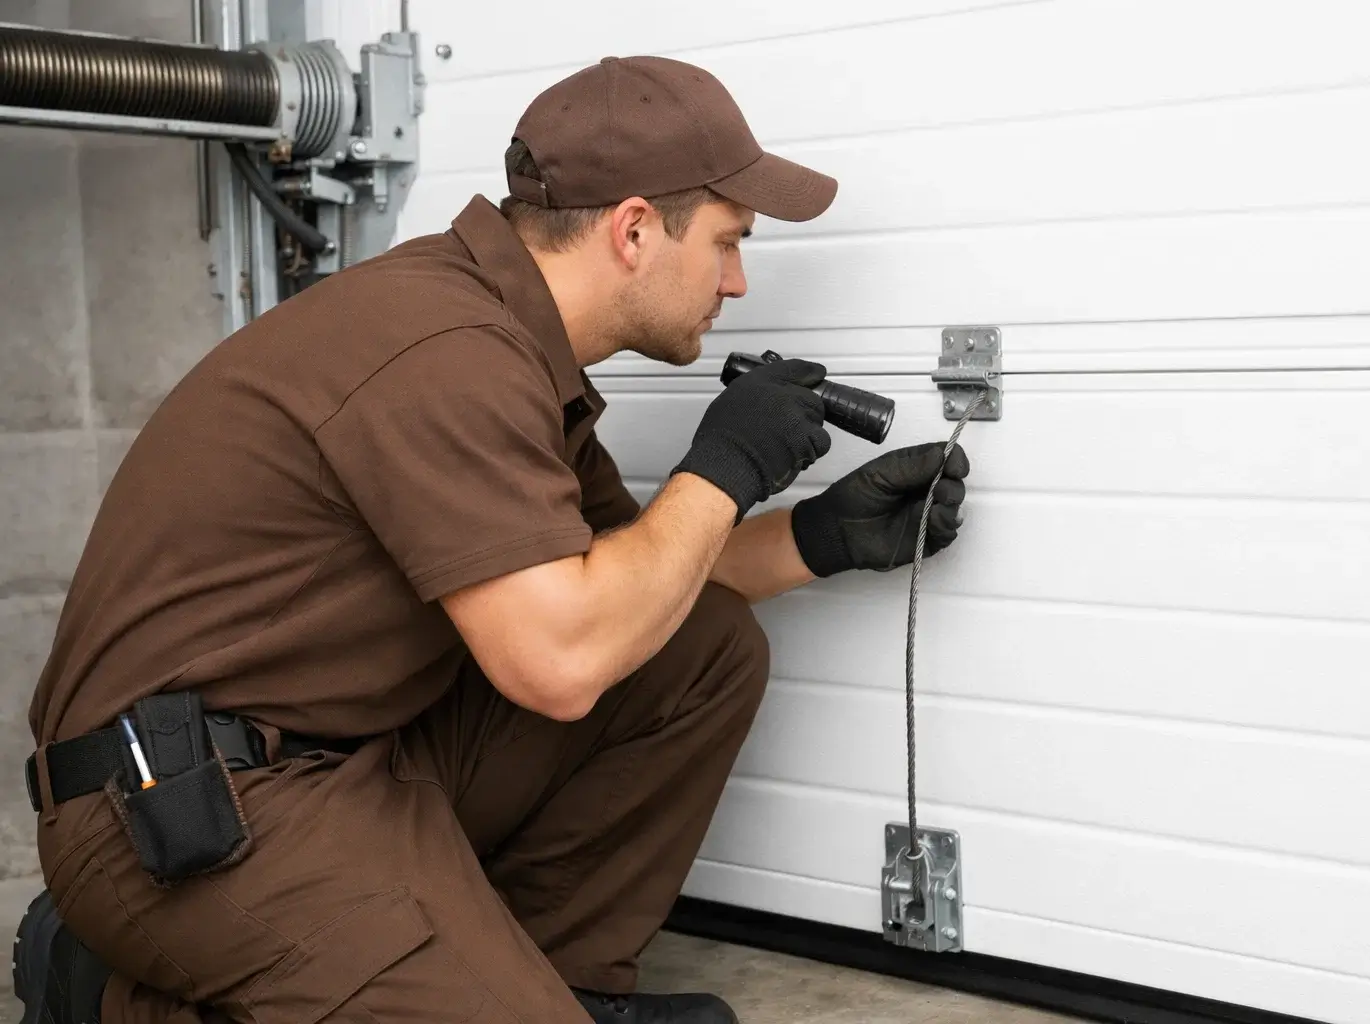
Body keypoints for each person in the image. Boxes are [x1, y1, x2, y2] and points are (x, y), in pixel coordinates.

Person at [13, 55, 969, 1024]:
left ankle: (554, 984)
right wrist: (721, 468)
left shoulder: (504, 341)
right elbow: (560, 661)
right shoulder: (444, 351)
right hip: (183, 812)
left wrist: (817, 536)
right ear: (634, 229)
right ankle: (99, 988)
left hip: (339, 762)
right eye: (727, 242)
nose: (736, 280)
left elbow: (616, 586)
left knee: (700, 648)